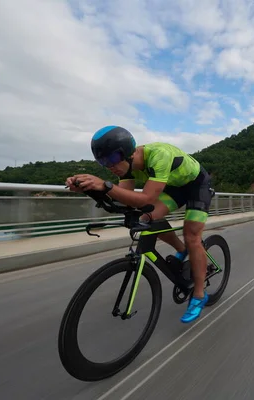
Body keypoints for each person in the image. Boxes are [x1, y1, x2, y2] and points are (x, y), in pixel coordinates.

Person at [65, 125, 213, 323]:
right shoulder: (124, 168)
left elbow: (145, 199)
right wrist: (88, 189)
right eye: (103, 162)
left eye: (112, 159)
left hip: (196, 185)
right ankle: (182, 250)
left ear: (128, 153)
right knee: (147, 218)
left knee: (192, 235)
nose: (109, 166)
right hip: (175, 188)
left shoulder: (159, 155)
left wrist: (105, 185)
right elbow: (125, 200)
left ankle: (199, 295)